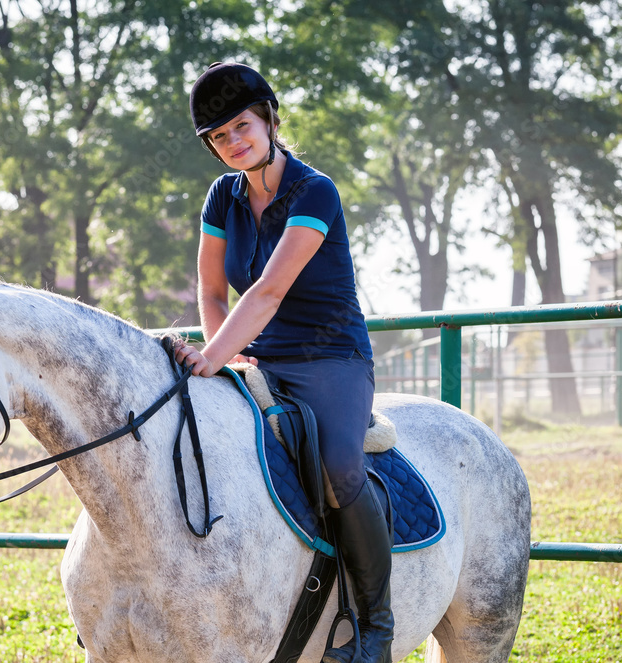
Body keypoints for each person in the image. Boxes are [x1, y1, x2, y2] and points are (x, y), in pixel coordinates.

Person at [173, 62, 393, 663]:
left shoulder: (315, 191)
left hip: (331, 356)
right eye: (219, 137)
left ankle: (376, 623)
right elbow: (213, 292)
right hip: (255, 352)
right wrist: (230, 354)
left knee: (341, 465)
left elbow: (267, 290)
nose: (233, 143)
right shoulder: (223, 196)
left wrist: (211, 359)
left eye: (241, 126)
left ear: (270, 117)